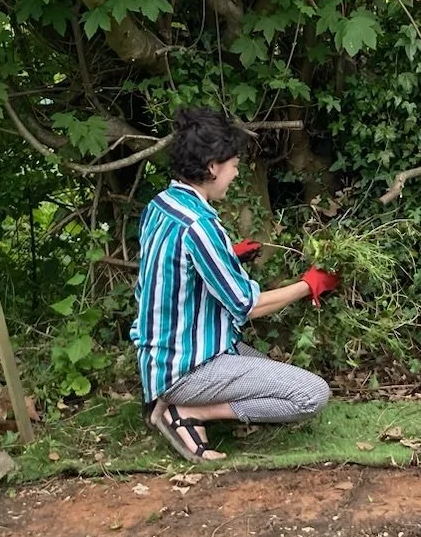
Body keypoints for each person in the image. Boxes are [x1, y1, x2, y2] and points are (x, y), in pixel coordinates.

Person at [131, 108, 338, 461]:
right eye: (234, 165)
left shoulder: (162, 205)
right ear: (212, 167)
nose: (237, 172)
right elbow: (247, 306)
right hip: (188, 367)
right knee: (310, 394)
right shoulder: (200, 226)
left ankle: (175, 402)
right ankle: (187, 412)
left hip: (159, 356)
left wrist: (229, 255)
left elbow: (169, 270)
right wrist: (309, 284)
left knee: (270, 376)